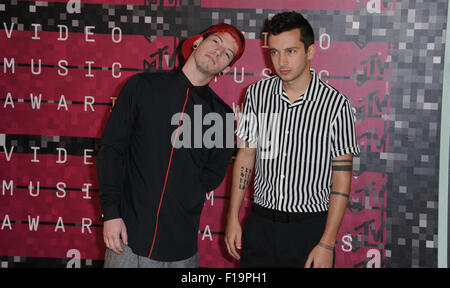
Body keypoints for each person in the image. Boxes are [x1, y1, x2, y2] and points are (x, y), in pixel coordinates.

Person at [97, 23, 245, 268]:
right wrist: (111, 213)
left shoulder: (222, 117)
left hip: (181, 247)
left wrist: (184, 197)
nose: (218, 52)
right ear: (197, 43)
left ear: (226, 68)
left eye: (227, 53)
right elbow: (112, 150)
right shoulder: (141, 86)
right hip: (127, 239)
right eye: (216, 42)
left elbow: (213, 174)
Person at [225, 11, 359, 268]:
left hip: (310, 231)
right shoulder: (257, 94)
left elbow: (341, 176)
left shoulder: (336, 106)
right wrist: (232, 217)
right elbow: (246, 155)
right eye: (274, 52)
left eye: (290, 51)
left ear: (310, 52)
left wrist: (327, 243)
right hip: (261, 226)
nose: (281, 61)